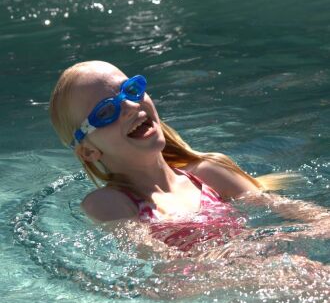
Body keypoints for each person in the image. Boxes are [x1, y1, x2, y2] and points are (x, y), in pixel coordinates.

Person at [49, 60, 330, 254]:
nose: (132, 106)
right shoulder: (109, 202)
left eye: (131, 90)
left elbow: (291, 210)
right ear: (88, 151)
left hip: (272, 269)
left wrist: (299, 235)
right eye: (107, 111)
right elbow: (156, 260)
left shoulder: (206, 174)